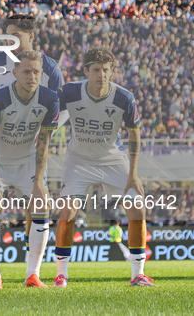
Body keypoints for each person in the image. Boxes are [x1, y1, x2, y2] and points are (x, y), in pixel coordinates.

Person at [53, 47, 154, 287]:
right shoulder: (68, 92)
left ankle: (137, 274)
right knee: (67, 213)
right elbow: (50, 115)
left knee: (137, 208)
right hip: (78, 159)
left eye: (106, 70)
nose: (102, 75)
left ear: (112, 71)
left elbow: (134, 135)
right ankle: (61, 275)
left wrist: (133, 174)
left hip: (113, 158)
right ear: (86, 71)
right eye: (96, 70)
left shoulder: (124, 97)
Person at [0, 14, 64, 268]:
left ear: (31, 37)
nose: (10, 41)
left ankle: (32, 272)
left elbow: (59, 107)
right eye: (7, 36)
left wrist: (42, 130)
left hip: (29, 149)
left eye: (16, 35)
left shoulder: (50, 68)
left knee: (37, 205)